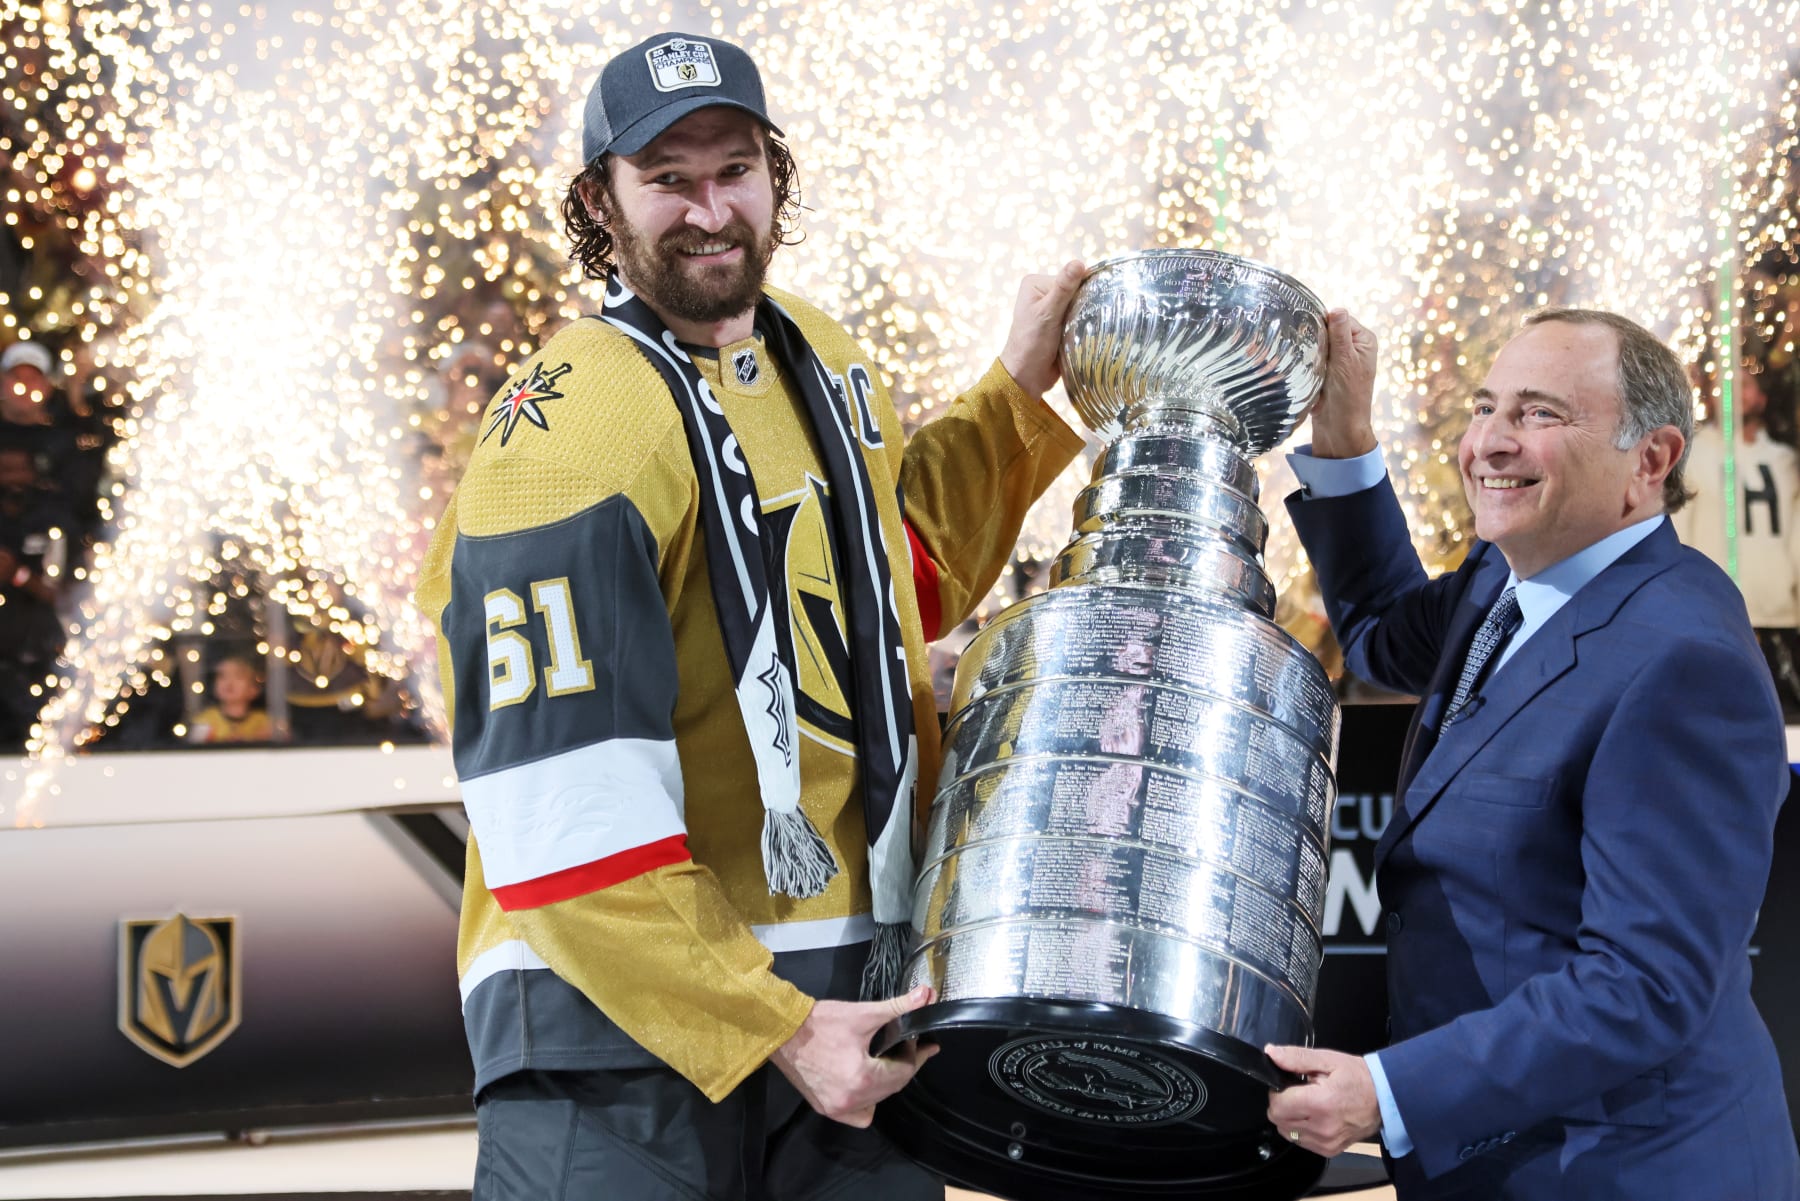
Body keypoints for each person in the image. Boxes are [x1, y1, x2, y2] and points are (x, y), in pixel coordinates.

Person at [415, 32, 1086, 1201]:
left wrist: (1015, 392)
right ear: (600, 202)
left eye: (735, 168)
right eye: (668, 178)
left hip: (852, 1002)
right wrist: (769, 1020)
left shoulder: (818, 352)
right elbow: (560, 806)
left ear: (778, 176)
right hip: (619, 1037)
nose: (709, 209)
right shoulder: (568, 426)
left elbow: (882, 594)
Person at [1264, 308, 1799, 1198]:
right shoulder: (1507, 577)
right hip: (1499, 1163)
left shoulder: (1682, 659)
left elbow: (1644, 985)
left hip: (1625, 1172)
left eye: (1539, 414)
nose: (1489, 443)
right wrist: (1345, 433)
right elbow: (1382, 633)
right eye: (1485, 407)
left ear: (1652, 459)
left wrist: (1388, 1093)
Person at [1674, 357, 1800, 716]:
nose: (1735, 393)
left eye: (1746, 384)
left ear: (1762, 396)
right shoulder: (1692, 454)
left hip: (1779, 616)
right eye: (1725, 385)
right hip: (1716, 615)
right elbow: (1680, 531)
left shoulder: (1785, 460)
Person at [187, 652, 274, 744]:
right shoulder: (205, 720)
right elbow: (195, 751)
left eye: (238, 676)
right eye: (222, 676)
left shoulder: (263, 722)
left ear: (254, 689)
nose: (229, 682)